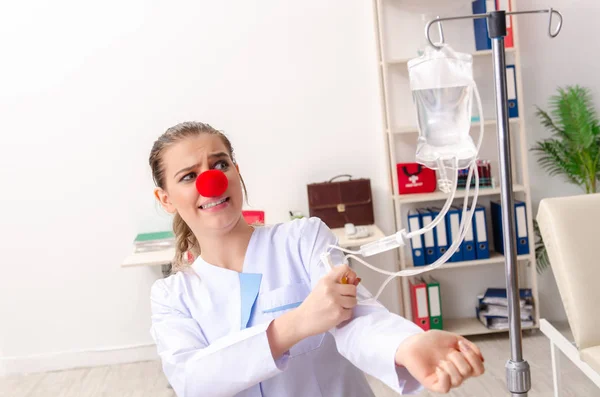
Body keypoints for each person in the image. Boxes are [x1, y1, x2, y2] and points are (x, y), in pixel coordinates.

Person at [148, 121, 485, 397]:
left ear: (236, 172)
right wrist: (296, 324)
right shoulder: (172, 296)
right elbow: (193, 381)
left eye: (220, 164)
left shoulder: (302, 239)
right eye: (189, 176)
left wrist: (407, 345)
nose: (212, 181)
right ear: (166, 199)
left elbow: (357, 318)